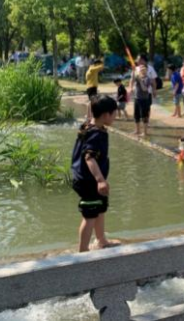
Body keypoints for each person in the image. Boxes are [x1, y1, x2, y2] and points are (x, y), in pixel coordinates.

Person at [71, 95, 119, 252]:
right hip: (89, 181)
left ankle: (101, 240)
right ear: (105, 115)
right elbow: (89, 157)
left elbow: (90, 115)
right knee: (90, 216)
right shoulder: (96, 134)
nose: (115, 116)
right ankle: (83, 250)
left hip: (88, 178)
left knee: (100, 209)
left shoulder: (88, 126)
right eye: (114, 113)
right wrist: (100, 180)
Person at [129, 65, 154, 137]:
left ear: (146, 71)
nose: (143, 71)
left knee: (144, 116)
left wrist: (140, 81)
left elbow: (144, 89)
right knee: (136, 115)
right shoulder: (138, 77)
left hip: (144, 99)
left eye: (144, 70)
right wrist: (133, 71)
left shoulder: (148, 79)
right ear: (139, 71)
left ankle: (145, 132)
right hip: (137, 98)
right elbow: (132, 80)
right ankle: (137, 130)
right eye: (141, 70)